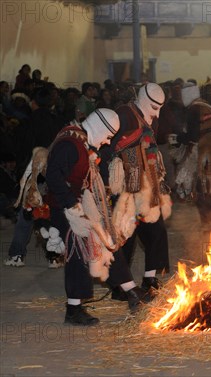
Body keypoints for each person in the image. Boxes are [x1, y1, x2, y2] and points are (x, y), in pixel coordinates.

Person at [46, 108, 131, 325]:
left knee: (105, 239)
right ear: (99, 128)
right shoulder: (71, 145)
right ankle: (74, 309)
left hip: (76, 202)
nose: (106, 142)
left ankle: (129, 289)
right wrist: (72, 206)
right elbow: (53, 176)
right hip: (64, 207)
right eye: (108, 136)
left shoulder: (80, 141)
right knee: (79, 252)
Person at [107, 83, 171, 299]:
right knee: (125, 234)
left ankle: (150, 278)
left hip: (147, 182)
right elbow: (109, 146)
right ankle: (120, 286)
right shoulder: (123, 114)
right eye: (154, 107)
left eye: (160, 107)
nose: (157, 113)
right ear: (143, 99)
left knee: (156, 230)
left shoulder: (152, 118)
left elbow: (152, 146)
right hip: (124, 183)